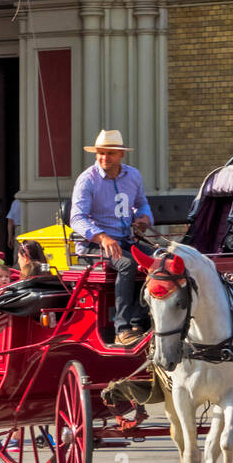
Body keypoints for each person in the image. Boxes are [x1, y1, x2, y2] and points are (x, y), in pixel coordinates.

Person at [70, 129, 153, 347]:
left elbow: (141, 203)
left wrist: (144, 218)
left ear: (121, 155)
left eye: (110, 153)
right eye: (100, 153)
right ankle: (122, 330)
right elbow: (77, 219)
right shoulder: (87, 180)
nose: (104, 158)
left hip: (126, 240)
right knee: (127, 264)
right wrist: (103, 237)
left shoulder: (133, 176)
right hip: (93, 247)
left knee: (162, 260)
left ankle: (139, 321)